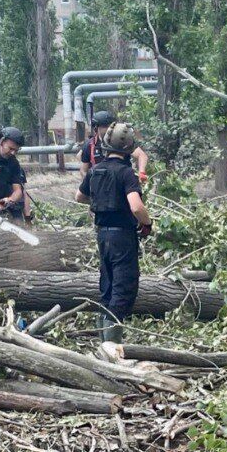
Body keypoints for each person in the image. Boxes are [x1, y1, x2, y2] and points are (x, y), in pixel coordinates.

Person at [76, 122, 153, 343]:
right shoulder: (127, 173)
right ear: (129, 148)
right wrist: (146, 224)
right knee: (123, 289)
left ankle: (103, 342)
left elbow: (79, 197)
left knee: (107, 287)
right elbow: (136, 206)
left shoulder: (95, 170)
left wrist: (101, 199)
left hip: (102, 235)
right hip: (122, 237)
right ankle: (111, 348)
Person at [80, 110, 149, 180]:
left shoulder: (121, 140)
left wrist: (141, 172)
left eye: (111, 125)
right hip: (100, 185)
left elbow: (141, 155)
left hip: (122, 181)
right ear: (96, 128)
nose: (109, 129)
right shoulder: (90, 145)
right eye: (105, 126)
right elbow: (83, 170)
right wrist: (89, 185)